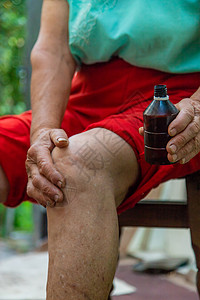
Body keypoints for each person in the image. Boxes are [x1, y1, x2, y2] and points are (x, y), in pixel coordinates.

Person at [0, 0, 200, 299]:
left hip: (179, 96)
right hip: (87, 94)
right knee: (62, 155)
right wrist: (42, 132)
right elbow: (53, 49)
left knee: (74, 165)